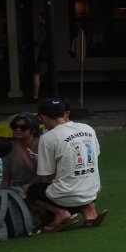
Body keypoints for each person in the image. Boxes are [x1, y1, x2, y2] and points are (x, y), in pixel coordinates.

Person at [28, 98, 107, 232]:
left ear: (43, 117)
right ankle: (89, 213)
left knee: (32, 191)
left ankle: (60, 213)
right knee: (79, 182)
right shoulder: (87, 128)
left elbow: (48, 174)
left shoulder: (48, 138)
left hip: (67, 194)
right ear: (65, 113)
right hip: (92, 190)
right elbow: (95, 155)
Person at [2, 112, 42, 189]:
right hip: (16, 189)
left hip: (38, 187)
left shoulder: (42, 146)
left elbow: (43, 175)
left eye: (23, 127)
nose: (18, 129)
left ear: (34, 130)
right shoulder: (9, 148)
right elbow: (6, 179)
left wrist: (27, 187)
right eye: (14, 126)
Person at [31, 14, 47, 101]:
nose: (38, 21)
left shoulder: (44, 30)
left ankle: (35, 96)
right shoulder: (51, 29)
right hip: (49, 55)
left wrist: (27, 45)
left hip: (44, 56)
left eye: (39, 19)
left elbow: (38, 42)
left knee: (36, 75)